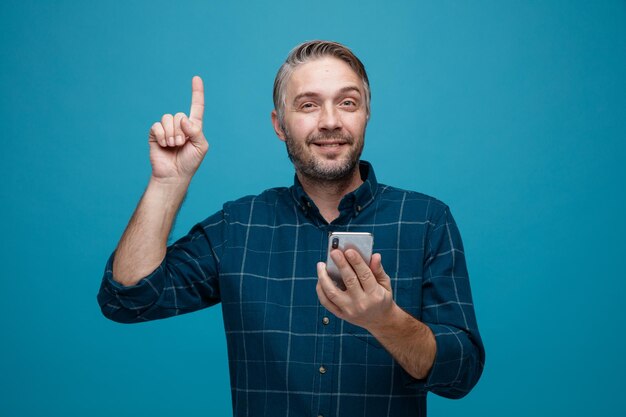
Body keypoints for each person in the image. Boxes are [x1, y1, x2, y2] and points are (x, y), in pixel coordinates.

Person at [98, 40, 485, 417]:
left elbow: (461, 374)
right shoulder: (240, 225)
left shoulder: (426, 220)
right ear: (280, 124)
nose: (330, 121)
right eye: (308, 105)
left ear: (366, 114)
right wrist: (168, 183)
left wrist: (386, 321)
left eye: (347, 103)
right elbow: (128, 300)